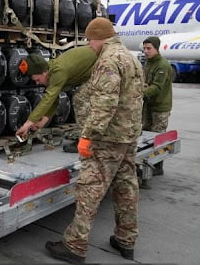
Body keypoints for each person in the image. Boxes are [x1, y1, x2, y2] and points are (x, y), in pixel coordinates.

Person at [45, 17, 145, 264]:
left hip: (107, 138)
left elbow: (104, 103)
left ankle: (75, 245)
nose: (90, 46)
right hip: (128, 135)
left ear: (99, 38)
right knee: (126, 187)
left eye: (90, 41)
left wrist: (88, 135)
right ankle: (126, 240)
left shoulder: (108, 61)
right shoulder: (132, 58)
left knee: (90, 189)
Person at [15, 45, 98, 140]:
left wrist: (27, 124)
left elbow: (48, 99)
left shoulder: (58, 71)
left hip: (103, 65)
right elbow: (54, 99)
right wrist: (42, 122)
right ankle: (88, 138)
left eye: (37, 79)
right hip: (93, 71)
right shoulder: (51, 71)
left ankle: (87, 140)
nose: (37, 83)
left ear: (44, 72)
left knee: (80, 99)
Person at [141, 36, 173, 179]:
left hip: (160, 107)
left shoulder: (162, 65)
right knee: (146, 135)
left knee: (158, 137)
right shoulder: (149, 63)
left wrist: (138, 93)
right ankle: (148, 164)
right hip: (148, 105)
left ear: (156, 48)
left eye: (149, 48)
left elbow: (157, 87)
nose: (146, 51)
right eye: (144, 48)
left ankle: (158, 166)